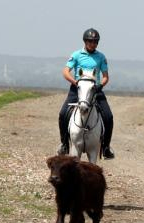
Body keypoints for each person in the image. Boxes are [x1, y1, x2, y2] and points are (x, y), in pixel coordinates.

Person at [58, 28, 115, 159]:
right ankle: (64, 144)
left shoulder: (101, 57)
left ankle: (106, 147)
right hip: (77, 88)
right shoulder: (77, 55)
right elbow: (66, 71)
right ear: (85, 41)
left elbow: (105, 76)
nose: (92, 44)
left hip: (95, 90)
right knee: (62, 114)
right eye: (90, 41)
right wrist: (75, 82)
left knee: (109, 116)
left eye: (95, 42)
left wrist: (100, 85)